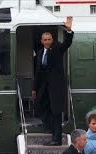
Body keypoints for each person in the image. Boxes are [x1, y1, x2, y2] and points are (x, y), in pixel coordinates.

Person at [31, 16, 74, 145]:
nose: (48, 41)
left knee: (56, 113)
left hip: (55, 87)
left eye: (49, 39)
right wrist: (34, 88)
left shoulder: (56, 49)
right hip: (43, 87)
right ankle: (49, 128)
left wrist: (69, 31)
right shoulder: (39, 53)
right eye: (45, 40)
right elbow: (37, 72)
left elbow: (67, 43)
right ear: (42, 41)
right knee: (40, 107)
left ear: (52, 40)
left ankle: (57, 139)